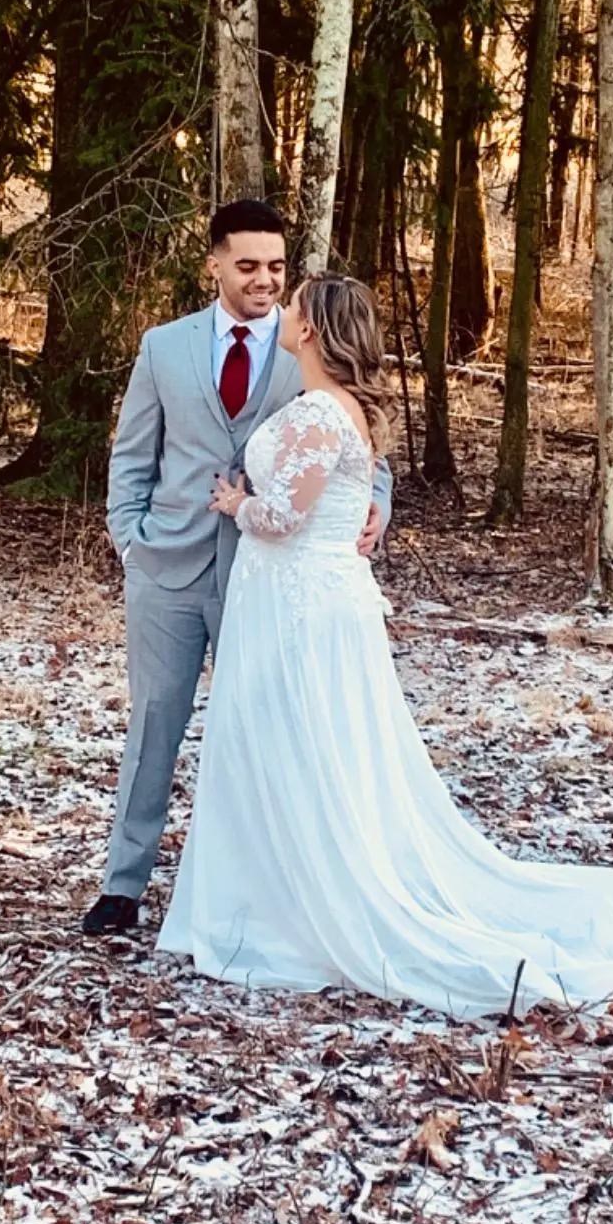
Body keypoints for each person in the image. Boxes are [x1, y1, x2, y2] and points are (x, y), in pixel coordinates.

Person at [157, 272, 613, 1019]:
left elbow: (282, 519)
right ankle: (271, 895)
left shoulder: (319, 415)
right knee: (304, 750)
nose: (286, 308)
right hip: (306, 599)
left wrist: (238, 502)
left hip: (299, 607)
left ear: (313, 329)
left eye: (297, 304)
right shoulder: (339, 412)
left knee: (298, 746)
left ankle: (293, 909)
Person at [83, 203, 393, 936]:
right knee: (154, 725)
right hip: (168, 570)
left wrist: (375, 502)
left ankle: (266, 887)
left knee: (266, 729)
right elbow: (132, 452)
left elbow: (361, 431)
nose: (264, 281)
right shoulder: (164, 346)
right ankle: (123, 886)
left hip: (268, 577)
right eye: (248, 266)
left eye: (277, 268)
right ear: (215, 264)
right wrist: (130, 538)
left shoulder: (307, 343)